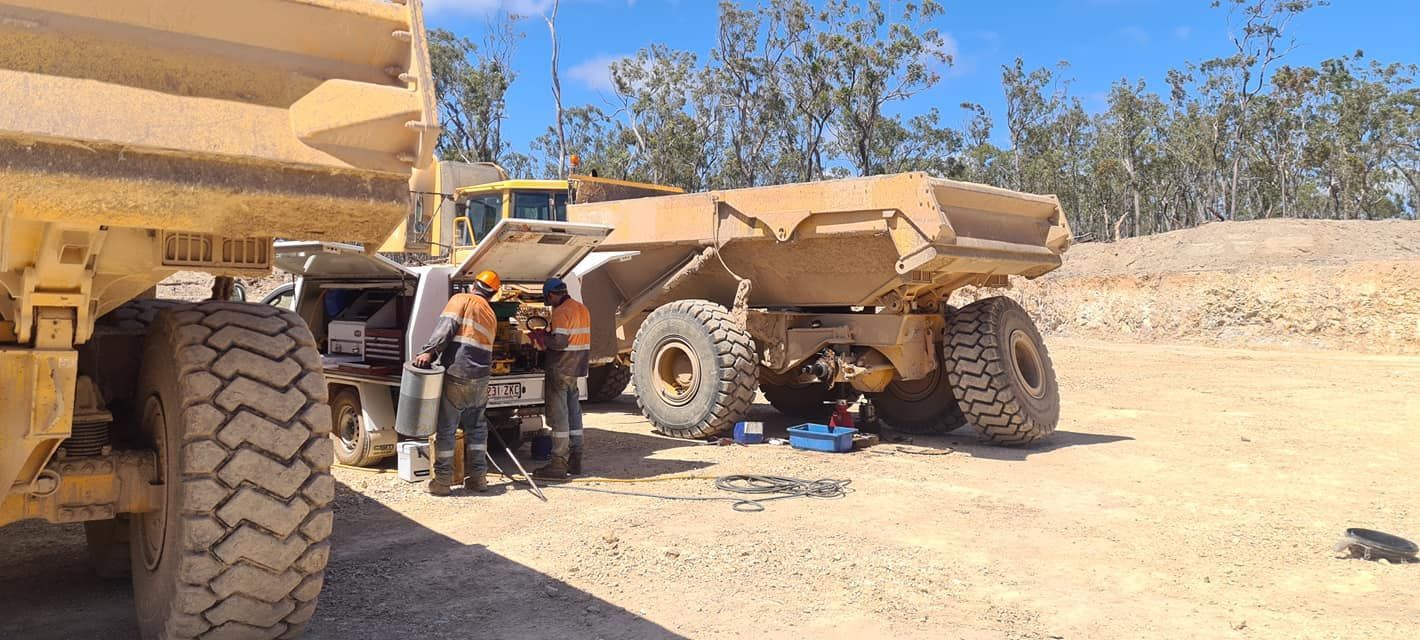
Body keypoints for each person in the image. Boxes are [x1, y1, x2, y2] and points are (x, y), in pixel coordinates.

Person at [412, 270, 501, 496]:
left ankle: (442, 481)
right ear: (493, 293)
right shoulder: (490, 313)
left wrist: (429, 353)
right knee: (477, 428)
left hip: (458, 371)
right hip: (481, 377)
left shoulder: (461, 299)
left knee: (447, 428)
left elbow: (446, 329)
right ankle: (478, 478)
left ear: (473, 285)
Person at [531, 277, 591, 479]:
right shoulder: (581, 308)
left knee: (559, 416)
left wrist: (541, 338)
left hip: (561, 367)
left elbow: (560, 341)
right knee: (574, 413)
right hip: (576, 367)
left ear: (550, 295)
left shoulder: (560, 312)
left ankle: (558, 462)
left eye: (547, 299)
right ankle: (576, 458)